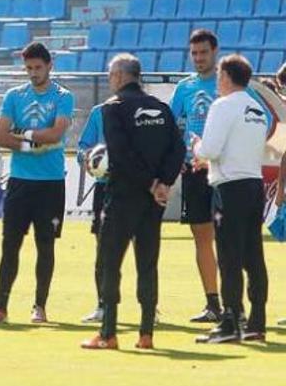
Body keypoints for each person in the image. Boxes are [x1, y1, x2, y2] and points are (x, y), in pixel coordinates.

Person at [80, 54, 184, 350]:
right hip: (153, 202)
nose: (110, 80)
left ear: (120, 76)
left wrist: (151, 183)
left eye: (111, 75)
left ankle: (108, 332)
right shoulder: (161, 109)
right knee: (148, 264)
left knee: (110, 263)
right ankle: (146, 334)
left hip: (124, 196)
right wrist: (163, 183)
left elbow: (121, 154)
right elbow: (177, 150)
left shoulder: (113, 109)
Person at [0, 42, 74, 325]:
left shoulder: (62, 96)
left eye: (38, 68)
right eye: (29, 68)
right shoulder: (14, 95)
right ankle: (0, 306)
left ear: (49, 66)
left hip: (51, 182)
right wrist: (34, 143)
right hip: (20, 182)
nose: (33, 73)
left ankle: (39, 307)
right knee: (10, 245)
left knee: (45, 245)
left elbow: (56, 134)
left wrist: (21, 133)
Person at [192, 55, 269, 344]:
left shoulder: (223, 105)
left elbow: (210, 148)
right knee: (253, 256)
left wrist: (197, 146)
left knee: (228, 256)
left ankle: (230, 321)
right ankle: (256, 322)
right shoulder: (257, 109)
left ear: (225, 77)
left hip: (229, 189)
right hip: (253, 183)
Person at [168, 29, 227, 323]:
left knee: (231, 239)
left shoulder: (230, 83)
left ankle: (237, 305)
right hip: (195, 173)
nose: (199, 58)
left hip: (227, 174)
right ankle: (213, 303)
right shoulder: (185, 88)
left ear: (215, 52)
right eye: (194, 53)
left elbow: (262, 122)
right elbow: (169, 126)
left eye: (203, 52)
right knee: (202, 237)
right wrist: (178, 156)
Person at [77, 103, 107, 323]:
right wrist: (88, 157)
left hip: (135, 186)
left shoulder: (143, 111)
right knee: (103, 247)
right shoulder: (99, 111)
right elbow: (83, 147)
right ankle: (102, 305)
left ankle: (149, 306)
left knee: (142, 248)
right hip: (104, 187)